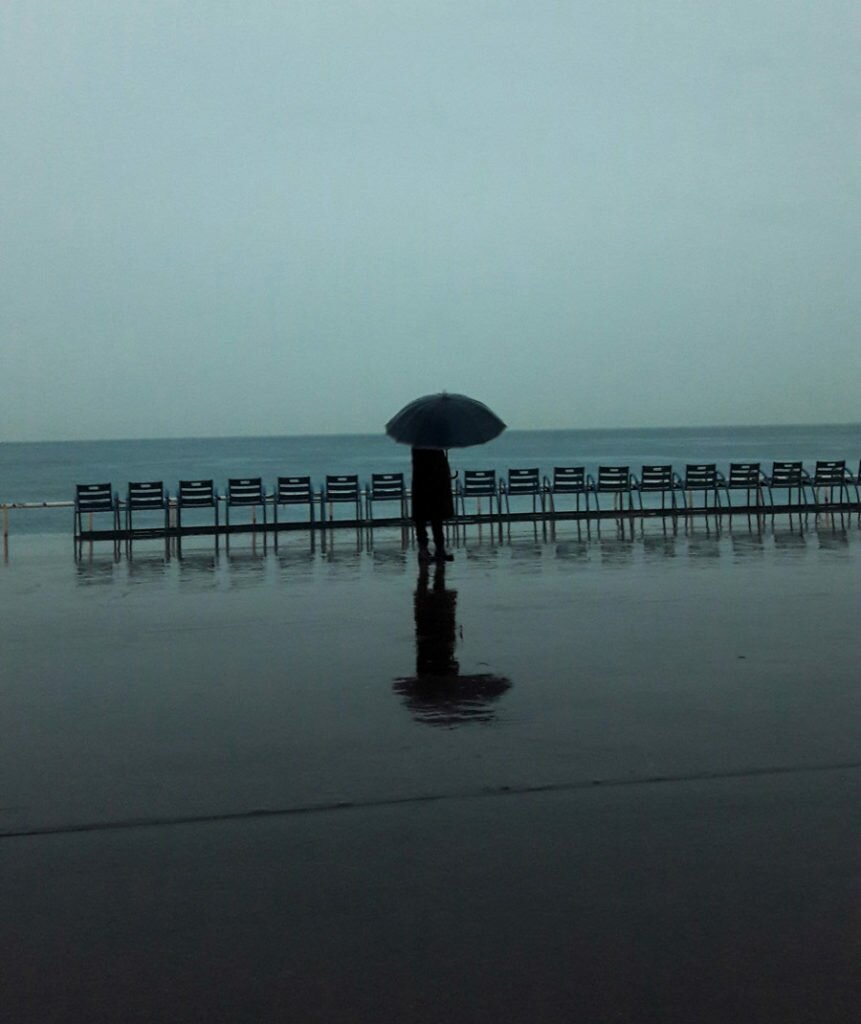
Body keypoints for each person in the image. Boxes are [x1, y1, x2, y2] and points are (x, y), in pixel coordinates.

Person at [411, 446, 454, 562]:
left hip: (427, 483)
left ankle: (431, 549)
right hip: (429, 483)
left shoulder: (418, 443)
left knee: (430, 518)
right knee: (432, 518)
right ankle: (431, 549)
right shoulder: (430, 445)